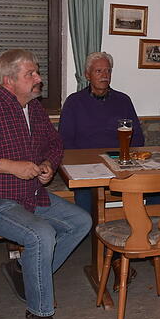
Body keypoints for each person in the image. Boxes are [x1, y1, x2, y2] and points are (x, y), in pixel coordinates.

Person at [0, 49, 92, 319]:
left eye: (37, 72)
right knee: (41, 235)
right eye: (31, 74)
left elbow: (55, 143)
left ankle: (24, 270)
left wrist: (49, 166)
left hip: (32, 193)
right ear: (8, 80)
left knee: (81, 222)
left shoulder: (35, 108)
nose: (39, 78)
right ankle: (39, 312)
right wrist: (10, 166)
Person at [59, 51, 144, 213]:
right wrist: (87, 161)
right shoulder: (74, 102)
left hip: (119, 162)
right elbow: (65, 141)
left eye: (108, 71)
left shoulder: (123, 100)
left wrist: (121, 158)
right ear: (87, 75)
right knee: (86, 191)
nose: (105, 75)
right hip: (87, 165)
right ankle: (90, 233)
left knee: (155, 185)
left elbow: (138, 137)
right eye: (99, 71)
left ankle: (146, 228)